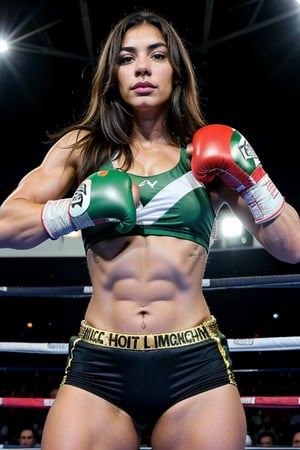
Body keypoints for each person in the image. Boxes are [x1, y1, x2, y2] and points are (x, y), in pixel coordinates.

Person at [0, 8, 299, 450]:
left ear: (176, 70)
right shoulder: (82, 148)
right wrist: (73, 211)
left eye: (156, 55)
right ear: (113, 75)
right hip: (99, 365)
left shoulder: (205, 152)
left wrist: (254, 180)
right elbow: (6, 223)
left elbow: (292, 247)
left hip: (194, 368)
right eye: (127, 58)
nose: (142, 66)